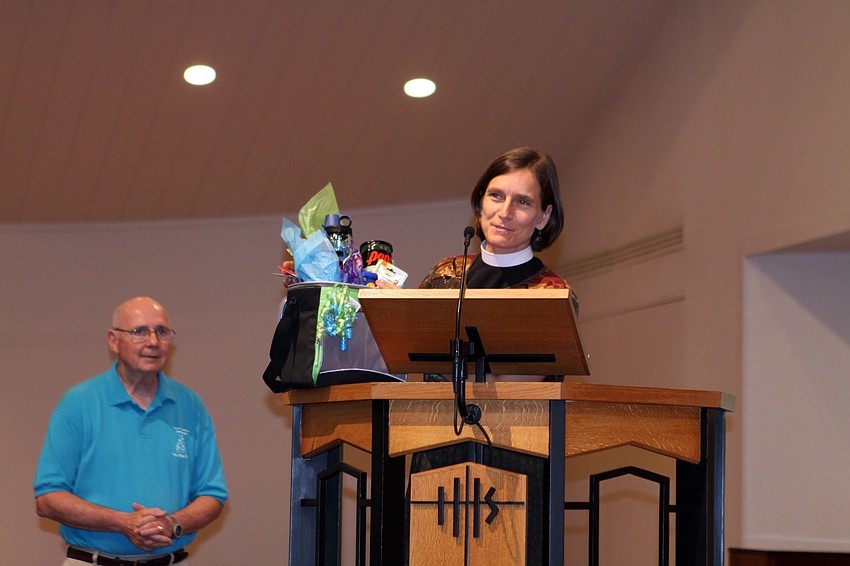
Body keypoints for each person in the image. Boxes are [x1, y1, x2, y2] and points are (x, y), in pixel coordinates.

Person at [411, 146, 574, 564]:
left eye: (523, 202)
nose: (504, 211)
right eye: (496, 196)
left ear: (543, 217)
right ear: (479, 202)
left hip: (510, 464)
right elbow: (408, 356)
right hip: (434, 452)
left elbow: (518, 387)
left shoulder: (550, 293)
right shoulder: (445, 275)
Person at [34, 297, 228, 566]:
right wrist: (123, 523)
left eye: (161, 331)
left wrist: (172, 524)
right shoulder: (79, 403)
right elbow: (47, 499)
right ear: (113, 340)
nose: (152, 341)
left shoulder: (190, 405)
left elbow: (213, 495)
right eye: (139, 331)